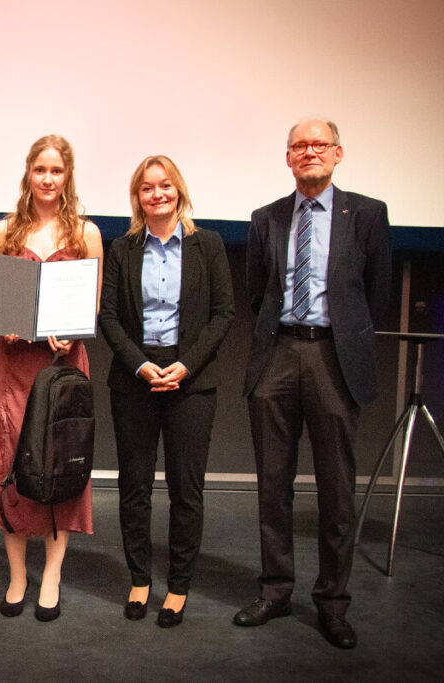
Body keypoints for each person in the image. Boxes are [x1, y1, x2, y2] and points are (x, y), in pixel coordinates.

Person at [233, 119, 392, 649]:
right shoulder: (267, 218)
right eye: (299, 146)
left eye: (318, 144)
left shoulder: (367, 214)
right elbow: (257, 293)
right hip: (277, 354)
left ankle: (332, 602)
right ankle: (275, 590)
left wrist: (339, 334)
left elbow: (377, 292)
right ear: (288, 158)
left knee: (336, 489)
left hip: (334, 358)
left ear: (338, 153)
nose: (309, 153)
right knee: (273, 485)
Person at [98, 155, 234, 628]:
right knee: (133, 487)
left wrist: (187, 364)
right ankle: (139, 579)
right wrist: (140, 365)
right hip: (134, 379)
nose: (157, 194)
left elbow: (223, 314)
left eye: (165, 186)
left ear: (179, 190)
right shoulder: (123, 248)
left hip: (190, 379)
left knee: (186, 490)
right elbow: (108, 317)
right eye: (147, 188)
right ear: (137, 196)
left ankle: (178, 586)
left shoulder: (209, 245)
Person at [0, 135, 102, 622]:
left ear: (68, 176)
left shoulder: (86, 234)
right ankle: (17, 576)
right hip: (13, 367)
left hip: (62, 369)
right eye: (40, 170)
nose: (48, 179)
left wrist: (69, 336)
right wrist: (6, 319)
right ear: (28, 173)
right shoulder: (4, 231)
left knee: (59, 465)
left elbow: (90, 307)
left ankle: (52, 574)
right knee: (12, 464)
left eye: (57, 171)